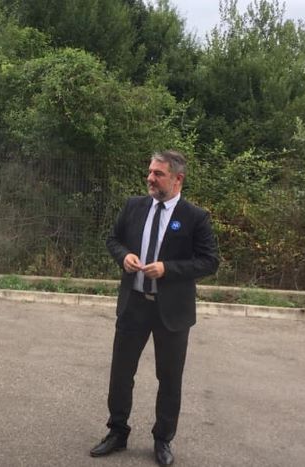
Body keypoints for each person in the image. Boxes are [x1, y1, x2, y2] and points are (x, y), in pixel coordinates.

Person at [90, 150, 219, 466]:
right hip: (133, 305)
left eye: (158, 174)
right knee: (121, 373)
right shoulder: (134, 206)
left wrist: (167, 269)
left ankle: (162, 439)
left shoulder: (195, 217)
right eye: (150, 171)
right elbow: (113, 239)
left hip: (171, 312)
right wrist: (124, 256)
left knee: (169, 378)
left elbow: (209, 261)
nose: (150, 178)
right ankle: (117, 431)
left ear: (178, 179)